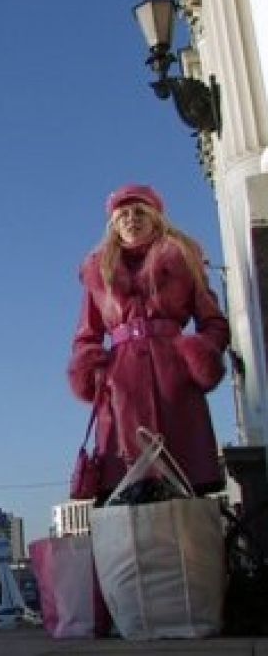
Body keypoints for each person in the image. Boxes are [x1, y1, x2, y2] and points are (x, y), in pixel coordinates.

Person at [69, 184, 229, 501]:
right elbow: (87, 334)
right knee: (126, 490)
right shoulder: (98, 271)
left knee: (185, 486)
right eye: (123, 214)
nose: (132, 219)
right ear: (113, 224)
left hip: (175, 381)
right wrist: (91, 366)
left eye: (140, 211)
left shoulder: (183, 258)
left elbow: (213, 322)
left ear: (156, 217)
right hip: (121, 386)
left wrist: (198, 355)